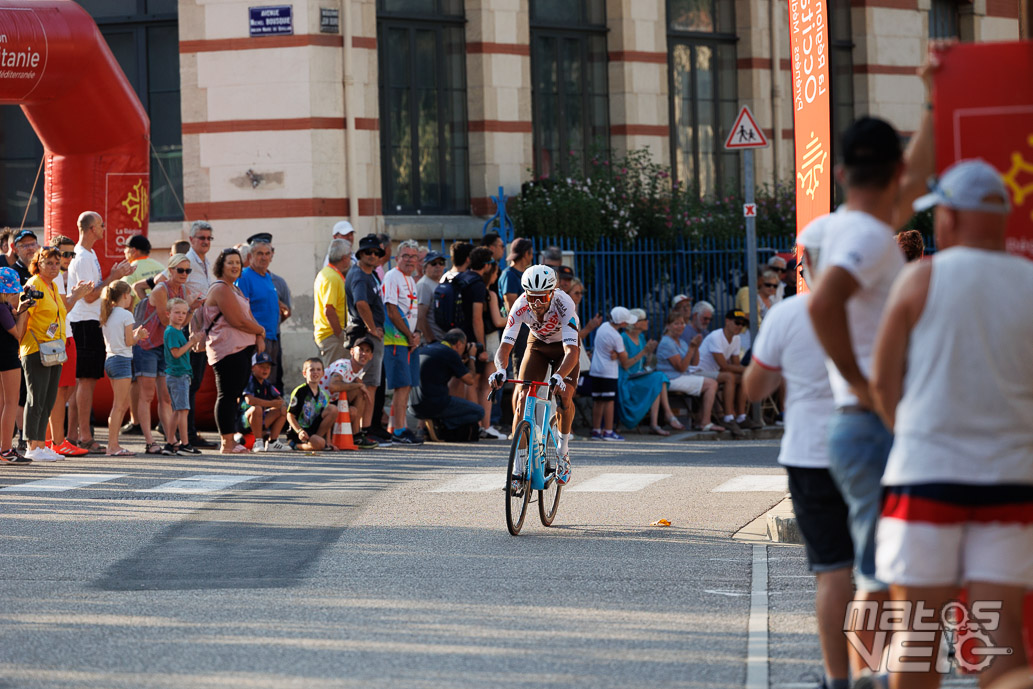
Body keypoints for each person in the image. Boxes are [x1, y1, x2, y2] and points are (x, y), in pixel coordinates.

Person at [871, 159, 1032, 689]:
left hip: (927, 475)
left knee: (915, 639)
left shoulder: (920, 280)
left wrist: (908, 431)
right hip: (1010, 482)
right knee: (997, 637)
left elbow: (883, 380)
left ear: (951, 219)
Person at [807, 94, 935, 681]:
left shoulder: (841, 225)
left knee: (878, 572)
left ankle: (865, 679)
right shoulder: (867, 236)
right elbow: (825, 303)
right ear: (894, 173)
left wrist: (933, 100)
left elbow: (913, 183)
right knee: (884, 576)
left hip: (859, 423)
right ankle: (874, 679)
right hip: (873, 420)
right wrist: (864, 383)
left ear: (840, 173)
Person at [743, 217, 849, 689]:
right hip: (874, 449)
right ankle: (879, 670)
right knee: (880, 570)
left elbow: (753, 388)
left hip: (810, 453)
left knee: (832, 572)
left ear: (806, 266)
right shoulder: (884, 306)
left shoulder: (789, 315)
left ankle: (838, 678)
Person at [492, 266, 580, 484]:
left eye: (542, 298)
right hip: (538, 346)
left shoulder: (564, 304)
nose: (537, 303)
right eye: (532, 297)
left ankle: (563, 452)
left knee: (565, 396)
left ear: (552, 292)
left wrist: (559, 375)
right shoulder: (520, 305)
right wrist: (500, 370)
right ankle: (519, 468)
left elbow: (572, 351)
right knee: (522, 399)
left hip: (564, 349)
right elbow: (505, 346)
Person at [66, 211, 134, 454]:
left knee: (83, 381)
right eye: (101, 225)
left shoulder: (89, 254)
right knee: (86, 380)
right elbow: (91, 295)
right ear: (92, 228)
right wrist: (114, 277)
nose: (104, 228)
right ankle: (84, 435)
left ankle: (74, 434)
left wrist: (114, 276)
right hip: (84, 322)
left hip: (87, 321)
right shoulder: (83, 256)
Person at [202, 248, 265, 454]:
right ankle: (226, 443)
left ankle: (231, 439)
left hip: (241, 348)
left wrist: (258, 336)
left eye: (237, 262)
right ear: (221, 265)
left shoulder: (235, 289)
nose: (235, 266)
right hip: (227, 349)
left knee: (234, 395)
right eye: (230, 262)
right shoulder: (220, 289)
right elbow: (236, 320)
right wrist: (261, 330)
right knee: (227, 395)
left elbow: (247, 316)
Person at [134, 253, 194, 456]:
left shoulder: (183, 290)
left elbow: (180, 322)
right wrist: (187, 312)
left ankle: (171, 440)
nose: (184, 274)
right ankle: (150, 442)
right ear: (170, 270)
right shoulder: (161, 289)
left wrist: (191, 310)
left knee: (166, 397)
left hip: (165, 346)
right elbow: (166, 320)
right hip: (148, 344)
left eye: (188, 270)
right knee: (147, 394)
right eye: (180, 270)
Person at [20, 247, 72, 462]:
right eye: (48, 262)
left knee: (49, 399)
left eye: (57, 263)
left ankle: (41, 444)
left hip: (54, 348)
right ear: (38, 263)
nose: (53, 267)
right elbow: (23, 315)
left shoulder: (51, 286)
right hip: (36, 348)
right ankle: (32, 445)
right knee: (36, 398)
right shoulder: (34, 284)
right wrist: (20, 343)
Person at [345, 234, 389, 444]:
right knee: (367, 384)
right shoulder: (360, 275)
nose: (373, 256)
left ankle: (362, 430)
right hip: (366, 334)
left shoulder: (369, 274)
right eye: (368, 252)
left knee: (368, 383)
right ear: (360, 254)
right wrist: (372, 328)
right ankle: (364, 430)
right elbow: (361, 303)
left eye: (376, 253)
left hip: (368, 333)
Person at [48, 235, 88, 456]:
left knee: (65, 389)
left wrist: (73, 295)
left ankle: (50, 441)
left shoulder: (60, 277)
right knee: (59, 391)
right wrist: (77, 295)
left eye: (72, 254)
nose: (69, 258)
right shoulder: (53, 278)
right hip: (59, 338)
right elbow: (63, 309)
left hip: (66, 334)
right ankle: (56, 441)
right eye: (64, 254)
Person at [99, 280, 149, 457]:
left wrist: (134, 336)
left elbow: (121, 339)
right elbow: (129, 342)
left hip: (111, 358)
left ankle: (113, 445)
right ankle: (112, 446)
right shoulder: (126, 315)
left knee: (119, 405)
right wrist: (139, 336)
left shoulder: (109, 313)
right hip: (121, 360)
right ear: (125, 295)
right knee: (120, 406)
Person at [380, 239, 422, 445]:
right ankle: (399, 431)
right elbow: (392, 310)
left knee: (407, 385)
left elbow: (412, 311)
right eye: (405, 256)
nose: (409, 260)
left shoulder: (411, 279)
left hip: (408, 339)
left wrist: (417, 333)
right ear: (397, 258)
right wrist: (408, 334)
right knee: (402, 385)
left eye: (413, 256)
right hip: (396, 338)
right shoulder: (391, 276)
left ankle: (394, 426)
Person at [459, 247, 504, 439]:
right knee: (487, 383)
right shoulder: (484, 290)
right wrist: (482, 347)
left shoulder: (462, 279)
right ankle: (483, 424)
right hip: (483, 340)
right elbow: (486, 320)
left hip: (463, 337)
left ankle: (475, 423)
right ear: (488, 267)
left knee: (473, 382)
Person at [618, 308, 684, 435]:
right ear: (636, 323)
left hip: (638, 376)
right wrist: (644, 351)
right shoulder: (624, 338)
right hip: (627, 380)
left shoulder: (641, 337)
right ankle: (666, 416)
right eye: (644, 320)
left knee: (658, 379)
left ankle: (657, 422)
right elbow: (626, 365)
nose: (648, 322)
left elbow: (644, 364)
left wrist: (649, 352)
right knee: (659, 378)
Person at [410, 328, 483, 441]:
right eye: (464, 346)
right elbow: (470, 380)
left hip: (413, 406)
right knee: (479, 412)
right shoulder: (450, 353)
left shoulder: (429, 348)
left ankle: (428, 427)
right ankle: (439, 424)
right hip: (434, 405)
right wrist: (472, 357)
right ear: (459, 344)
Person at [656, 314, 724, 433]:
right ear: (668, 326)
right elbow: (681, 367)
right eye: (676, 323)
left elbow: (694, 363)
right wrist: (691, 349)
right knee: (711, 384)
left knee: (711, 383)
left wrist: (696, 347)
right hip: (671, 379)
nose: (680, 326)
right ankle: (705, 421)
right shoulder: (667, 342)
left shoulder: (681, 341)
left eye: (682, 323)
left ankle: (700, 420)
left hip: (682, 376)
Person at [185, 220, 216, 449]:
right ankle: (187, 432)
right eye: (201, 238)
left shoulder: (205, 262)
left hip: (203, 327)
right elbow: (172, 288)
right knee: (190, 382)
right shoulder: (186, 262)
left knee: (193, 382)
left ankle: (183, 429)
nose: (205, 242)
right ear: (191, 240)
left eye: (208, 238)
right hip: (189, 327)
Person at [698, 310, 755, 430]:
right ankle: (728, 417)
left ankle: (741, 416)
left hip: (715, 372)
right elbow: (724, 366)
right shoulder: (716, 336)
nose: (739, 326)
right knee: (729, 376)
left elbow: (736, 364)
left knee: (742, 377)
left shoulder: (736, 339)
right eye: (737, 322)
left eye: (742, 324)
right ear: (727, 321)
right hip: (699, 371)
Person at [235, 235, 281, 386]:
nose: (264, 257)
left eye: (267, 254)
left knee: (268, 384)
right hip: (254, 339)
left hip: (271, 337)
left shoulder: (267, 277)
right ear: (250, 256)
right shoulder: (245, 277)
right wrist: (257, 336)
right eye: (259, 253)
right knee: (253, 384)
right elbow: (241, 311)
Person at [319, 336, 378, 450]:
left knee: (354, 410)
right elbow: (333, 386)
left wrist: (359, 383)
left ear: (371, 356)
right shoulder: (343, 365)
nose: (363, 354)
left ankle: (356, 436)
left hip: (332, 403)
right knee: (358, 391)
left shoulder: (358, 370)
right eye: (360, 349)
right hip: (319, 405)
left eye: (367, 351)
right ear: (352, 351)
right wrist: (359, 385)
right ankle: (354, 435)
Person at [164, 298, 205, 455]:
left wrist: (192, 310)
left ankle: (170, 442)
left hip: (179, 374)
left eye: (183, 313)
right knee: (183, 410)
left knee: (177, 410)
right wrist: (191, 342)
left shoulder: (176, 330)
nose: (181, 316)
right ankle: (184, 443)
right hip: (178, 375)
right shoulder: (172, 332)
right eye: (177, 313)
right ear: (168, 314)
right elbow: (176, 353)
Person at [588, 307, 635, 441]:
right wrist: (620, 353)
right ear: (622, 323)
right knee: (609, 402)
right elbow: (624, 358)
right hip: (609, 372)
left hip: (596, 370)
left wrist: (617, 353)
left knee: (598, 401)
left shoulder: (603, 327)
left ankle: (596, 430)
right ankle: (608, 431)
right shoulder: (617, 336)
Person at [0, 267, 32, 463]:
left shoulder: (5, 308)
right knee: (11, 403)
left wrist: (20, 309)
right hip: (7, 358)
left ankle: (3, 447)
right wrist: (25, 313)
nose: (15, 295)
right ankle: (5, 449)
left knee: (3, 403)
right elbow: (18, 333)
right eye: (13, 292)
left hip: (3, 356)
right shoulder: (2, 308)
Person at [239, 351, 290, 452]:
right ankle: (258, 442)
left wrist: (279, 403)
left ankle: (273, 442)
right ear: (253, 367)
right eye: (261, 366)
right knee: (256, 408)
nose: (265, 369)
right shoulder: (249, 380)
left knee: (283, 409)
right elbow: (250, 400)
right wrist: (271, 404)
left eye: (268, 367)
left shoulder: (266, 383)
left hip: (260, 420)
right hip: (244, 424)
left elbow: (279, 399)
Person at [314, 237, 351, 364]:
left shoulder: (329, 274)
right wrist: (341, 336)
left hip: (331, 335)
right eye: (350, 255)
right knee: (336, 379)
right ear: (345, 258)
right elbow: (329, 310)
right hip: (333, 337)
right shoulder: (331, 277)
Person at [286, 357, 335, 451]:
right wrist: (299, 431)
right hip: (300, 431)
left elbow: (328, 421)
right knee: (319, 444)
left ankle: (319, 441)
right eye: (311, 370)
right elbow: (290, 415)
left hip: (314, 431)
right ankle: (295, 445)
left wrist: (329, 441)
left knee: (333, 409)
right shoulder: (299, 391)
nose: (315, 372)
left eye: (318, 369)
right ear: (304, 373)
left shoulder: (324, 395)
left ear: (323, 373)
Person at [123, 235, 165, 306]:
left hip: (139, 315)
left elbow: (126, 300)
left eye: (126, 248)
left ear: (133, 250)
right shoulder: (161, 266)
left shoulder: (130, 270)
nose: (124, 251)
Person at [415, 250, 446, 344]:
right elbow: (420, 316)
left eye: (441, 263)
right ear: (425, 267)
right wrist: (431, 340)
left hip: (441, 338)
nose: (438, 266)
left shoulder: (438, 283)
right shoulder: (424, 285)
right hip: (431, 341)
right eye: (433, 263)